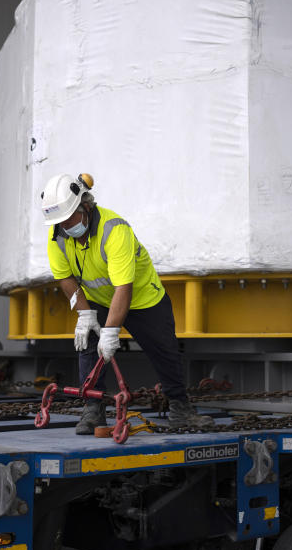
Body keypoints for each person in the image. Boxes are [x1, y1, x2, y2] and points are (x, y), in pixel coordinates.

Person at [41, 172, 213, 433]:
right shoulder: (58, 237)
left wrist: (110, 333)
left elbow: (124, 287)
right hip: (99, 300)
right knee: (88, 344)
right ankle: (93, 409)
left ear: (84, 206)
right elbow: (65, 279)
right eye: (60, 222)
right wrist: (85, 315)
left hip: (143, 299)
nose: (65, 226)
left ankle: (180, 407)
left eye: (69, 218)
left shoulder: (115, 230)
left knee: (164, 351)